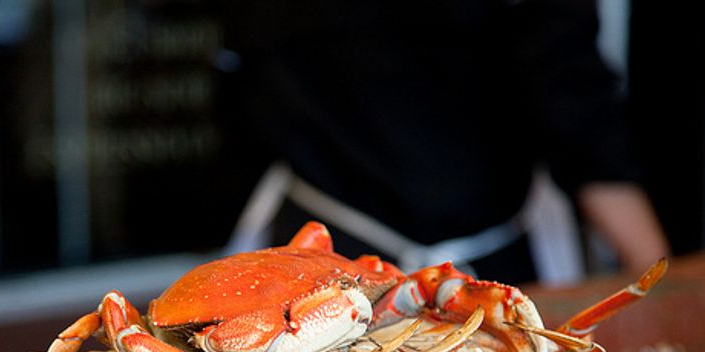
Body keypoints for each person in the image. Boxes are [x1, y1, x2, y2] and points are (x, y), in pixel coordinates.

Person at [221, 0, 670, 284]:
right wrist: (655, 273)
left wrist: (657, 278)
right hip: (312, 272)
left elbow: (576, 106)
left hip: (486, 278)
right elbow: (577, 110)